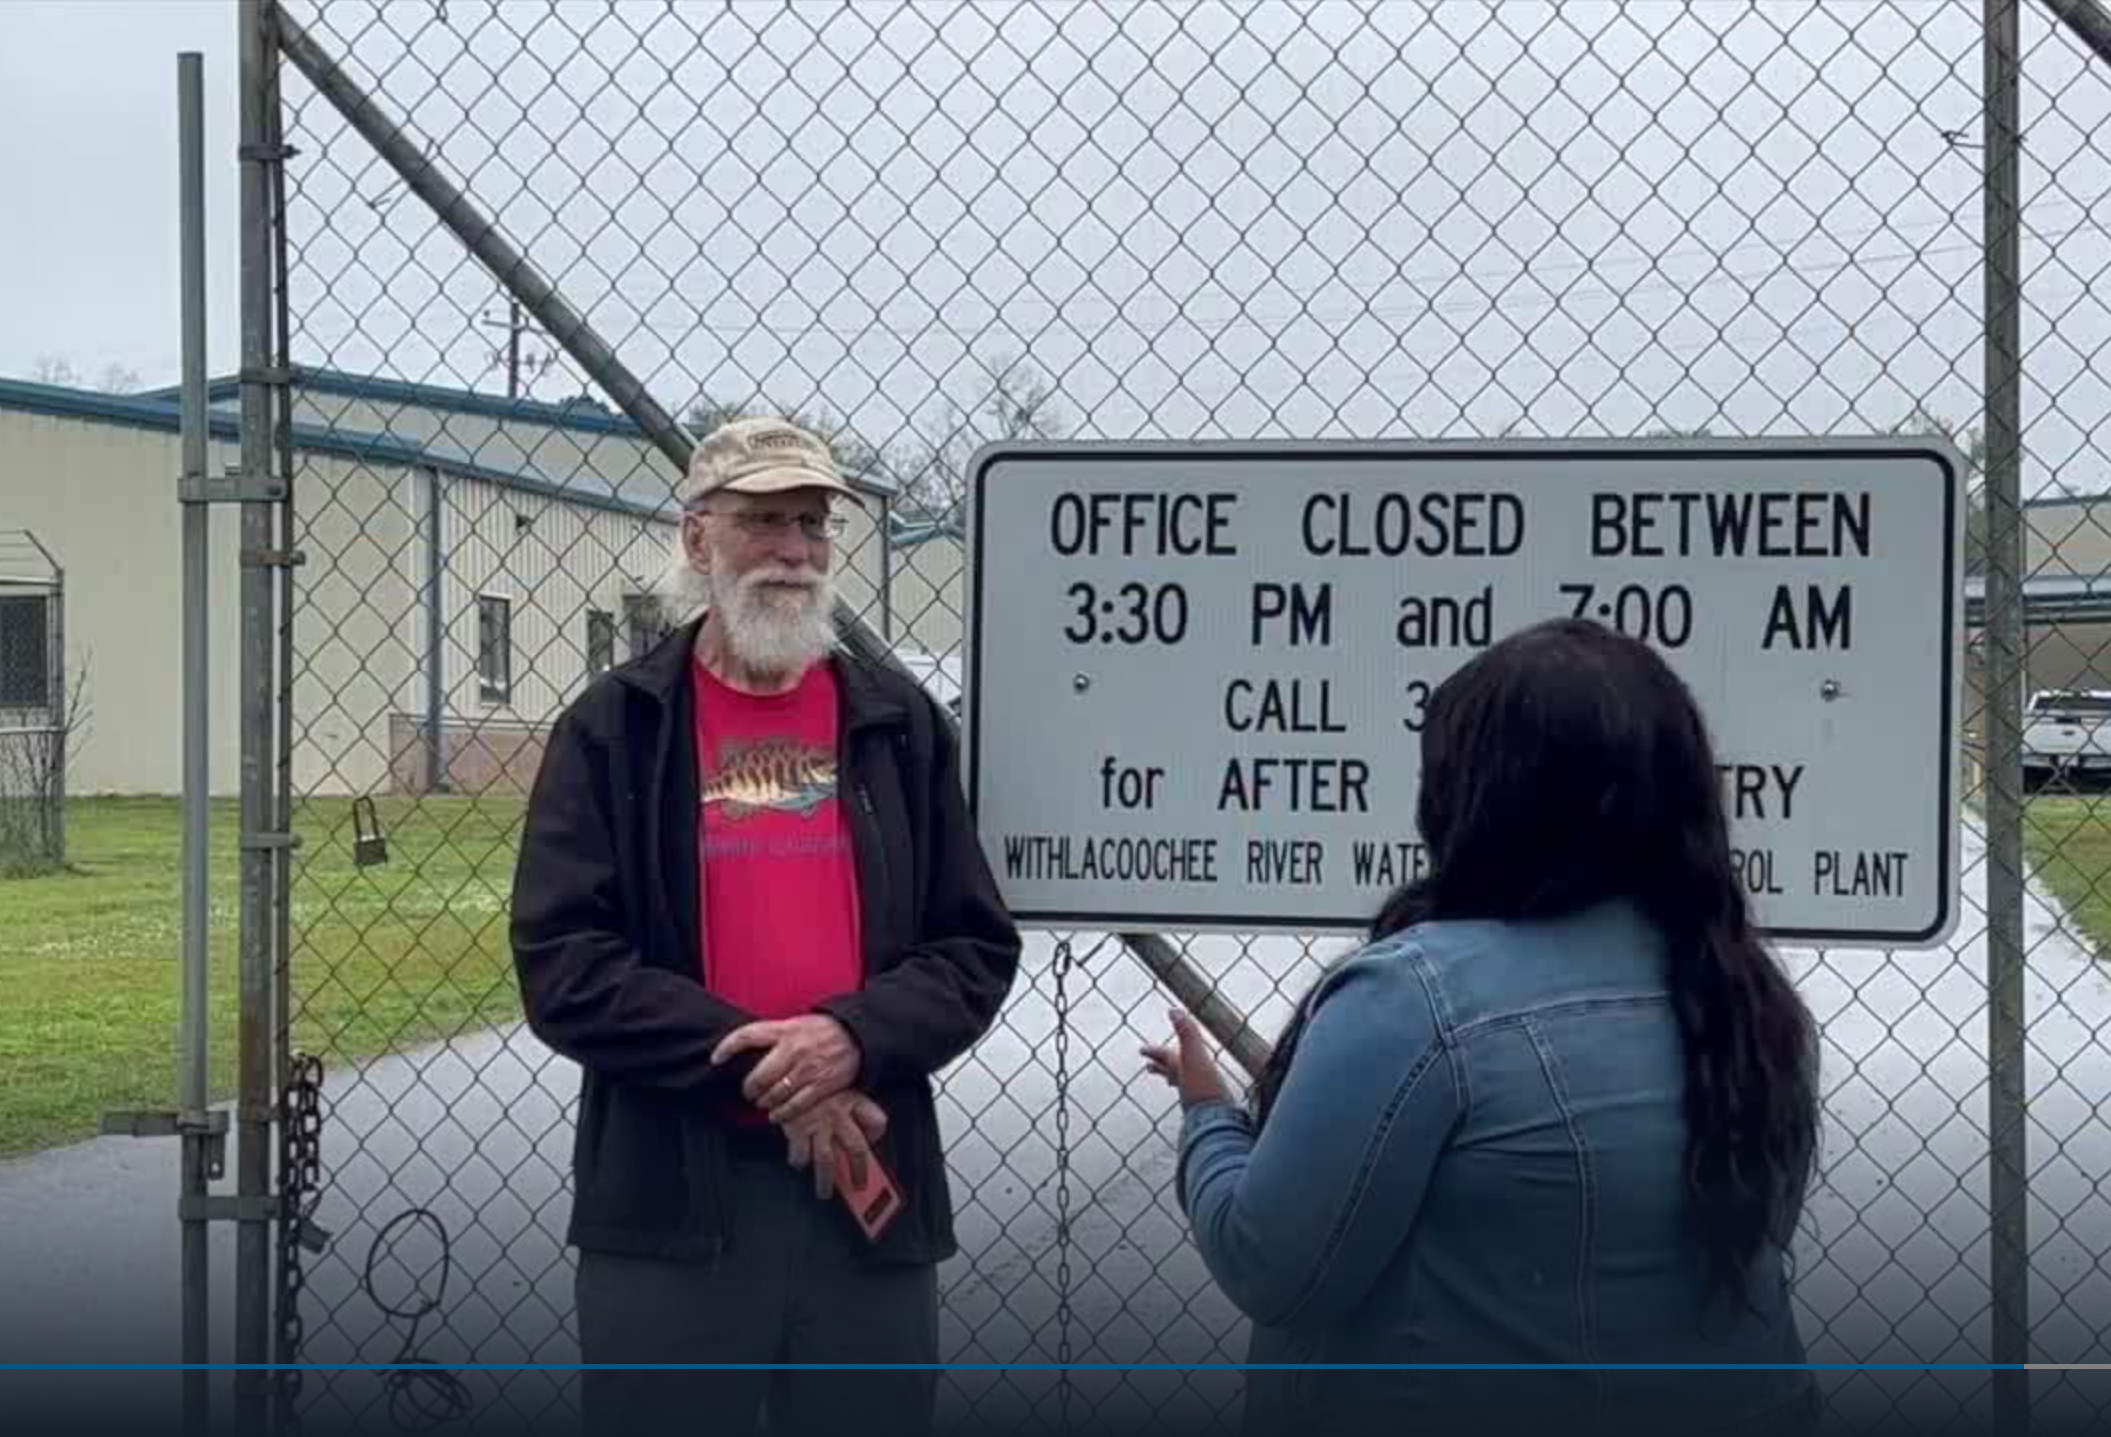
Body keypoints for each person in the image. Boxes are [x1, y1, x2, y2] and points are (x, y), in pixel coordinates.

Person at [1139, 617, 1824, 1437]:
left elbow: (1270, 1260)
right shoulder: (1744, 999)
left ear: (1473, 792)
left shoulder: (1414, 999)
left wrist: (1209, 1114)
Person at [510, 415, 1022, 1436]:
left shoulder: (898, 722)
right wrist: (766, 1070)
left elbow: (972, 947)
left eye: (811, 524)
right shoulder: (617, 727)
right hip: (672, 1205)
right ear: (698, 540)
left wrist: (850, 1040)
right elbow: (562, 960)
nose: (792, 550)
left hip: (864, 1196)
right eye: (762, 523)